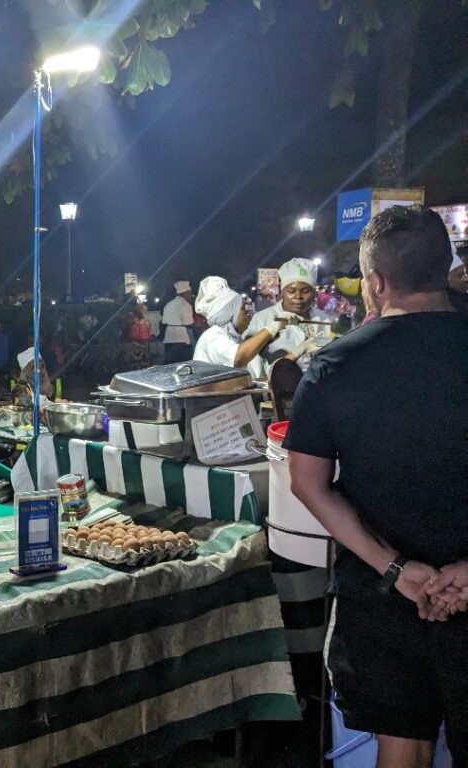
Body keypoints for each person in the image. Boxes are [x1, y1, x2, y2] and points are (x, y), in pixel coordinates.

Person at [285, 206, 468, 767]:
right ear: (444, 267)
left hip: (382, 595)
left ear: (377, 281)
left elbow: (307, 483)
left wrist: (395, 568)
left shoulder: (336, 364)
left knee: (401, 746)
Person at [192, 276, 290, 378]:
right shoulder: (212, 335)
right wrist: (273, 327)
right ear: (229, 313)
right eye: (243, 309)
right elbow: (238, 359)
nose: (249, 314)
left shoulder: (234, 339)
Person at [244, 257, 330, 370]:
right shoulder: (263, 319)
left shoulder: (323, 319)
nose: (298, 297)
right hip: (277, 385)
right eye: (291, 291)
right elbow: (252, 364)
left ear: (314, 293)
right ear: (282, 292)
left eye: (305, 291)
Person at [161, 280, 195, 363]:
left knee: (170, 365)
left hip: (168, 338)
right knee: (184, 364)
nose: (190, 296)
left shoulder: (169, 304)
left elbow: (164, 321)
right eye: (189, 293)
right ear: (183, 294)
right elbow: (189, 323)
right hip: (182, 338)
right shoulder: (185, 305)